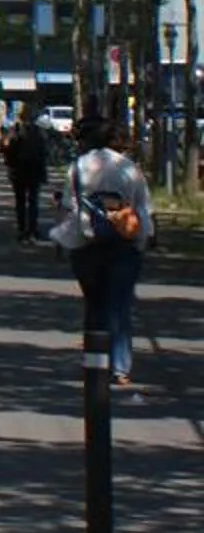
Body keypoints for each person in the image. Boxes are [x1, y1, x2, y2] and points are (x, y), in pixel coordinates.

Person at [65, 112, 156, 387]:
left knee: (95, 302)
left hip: (87, 243)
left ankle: (95, 360)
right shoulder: (130, 169)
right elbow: (143, 208)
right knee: (120, 305)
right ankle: (120, 366)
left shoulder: (79, 167)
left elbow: (70, 205)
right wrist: (143, 239)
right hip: (124, 244)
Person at [1, 104, 51, 242]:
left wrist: (9, 160)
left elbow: (6, 148)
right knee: (33, 200)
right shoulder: (40, 132)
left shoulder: (15, 130)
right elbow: (45, 152)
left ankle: (22, 229)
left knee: (20, 201)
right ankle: (33, 229)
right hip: (35, 170)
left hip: (19, 170)